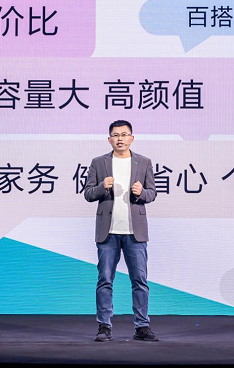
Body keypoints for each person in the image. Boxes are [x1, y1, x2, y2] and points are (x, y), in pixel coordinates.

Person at [83, 120, 159, 342]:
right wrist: (101, 187)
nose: (120, 139)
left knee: (140, 281)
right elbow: (88, 193)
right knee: (105, 280)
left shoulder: (143, 162)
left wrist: (141, 192)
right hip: (108, 232)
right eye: (116, 135)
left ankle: (142, 326)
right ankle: (104, 326)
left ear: (131, 138)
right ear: (109, 139)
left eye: (124, 134)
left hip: (135, 232)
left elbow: (152, 193)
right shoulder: (99, 163)